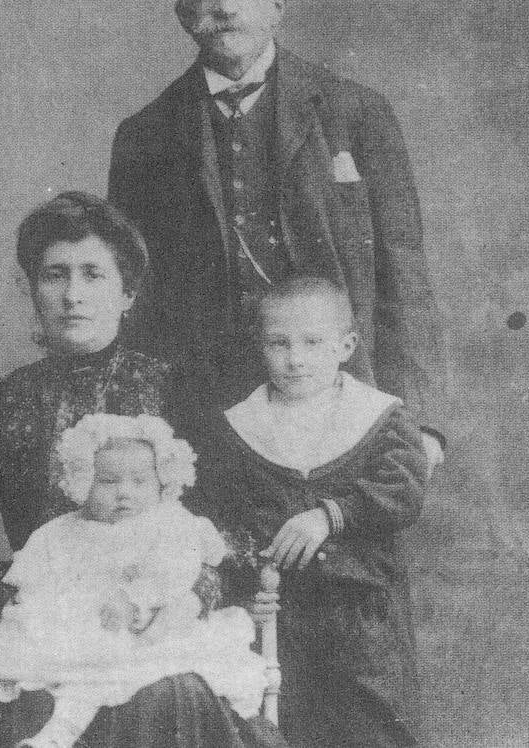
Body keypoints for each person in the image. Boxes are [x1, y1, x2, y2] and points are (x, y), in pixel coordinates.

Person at [0, 191, 285, 748]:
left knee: (170, 695)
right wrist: (29, 609)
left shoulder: (179, 392)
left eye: (93, 274)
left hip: (161, 628)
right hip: (50, 638)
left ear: (128, 292)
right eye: (54, 275)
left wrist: (186, 597)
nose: (73, 295)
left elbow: (235, 532)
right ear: (29, 288)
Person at [108, 0, 445, 470]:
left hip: (344, 411)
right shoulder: (144, 136)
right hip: (203, 422)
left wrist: (424, 425)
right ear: (182, 14)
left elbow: (404, 277)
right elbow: (135, 302)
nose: (225, 4)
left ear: (278, 5)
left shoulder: (356, 113)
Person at [0, 413, 267, 748]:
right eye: (108, 481)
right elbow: (37, 573)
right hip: (71, 627)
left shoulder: (170, 525)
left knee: (94, 679)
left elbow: (175, 573)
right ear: (83, 481)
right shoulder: (62, 529)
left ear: (163, 481)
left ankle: (57, 735)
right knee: (18, 629)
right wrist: (28, 600)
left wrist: (134, 599)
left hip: (139, 631)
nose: (123, 493)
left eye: (139, 481)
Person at [193, 275, 428, 747]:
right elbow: (223, 522)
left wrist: (329, 515)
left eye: (312, 342)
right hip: (280, 617)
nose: (295, 359)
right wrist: (244, 589)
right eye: (279, 343)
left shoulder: (380, 418)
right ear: (261, 348)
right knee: (278, 725)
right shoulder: (241, 427)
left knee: (370, 727)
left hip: (359, 616)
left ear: (346, 346)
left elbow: (403, 490)